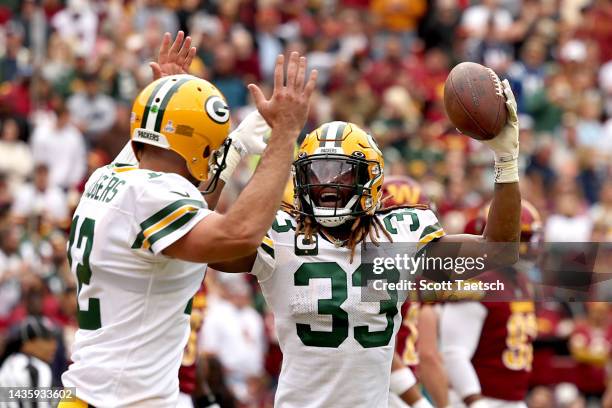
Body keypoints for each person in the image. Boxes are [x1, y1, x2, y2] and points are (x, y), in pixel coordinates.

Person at [213, 76, 522, 407]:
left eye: (340, 173)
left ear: (370, 178)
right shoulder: (282, 232)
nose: (326, 185)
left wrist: (505, 160)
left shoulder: (398, 236)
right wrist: (234, 151)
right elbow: (204, 241)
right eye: (315, 174)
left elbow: (498, 250)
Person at [59, 31, 318, 407]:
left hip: (91, 393)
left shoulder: (109, 177)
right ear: (200, 146)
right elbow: (239, 234)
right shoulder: (153, 196)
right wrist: (285, 134)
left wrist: (177, 106)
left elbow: (182, 198)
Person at [440, 200, 543, 408]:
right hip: (478, 399)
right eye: (518, 238)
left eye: (529, 238)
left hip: (511, 399)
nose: (525, 247)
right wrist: (476, 401)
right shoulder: (477, 282)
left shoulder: (520, 282)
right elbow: (454, 353)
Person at [0, 316, 58, 408]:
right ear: (28, 342)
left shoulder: (9, 363)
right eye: (47, 339)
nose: (54, 345)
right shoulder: (34, 368)